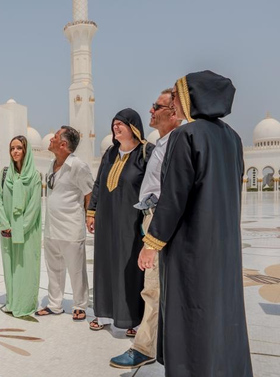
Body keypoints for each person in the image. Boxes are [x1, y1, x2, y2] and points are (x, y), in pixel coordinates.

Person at [139, 71, 253, 377]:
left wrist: (152, 242)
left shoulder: (186, 135)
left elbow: (174, 197)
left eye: (177, 96)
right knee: (221, 311)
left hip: (191, 246)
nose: (173, 103)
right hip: (223, 245)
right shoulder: (232, 137)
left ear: (193, 97)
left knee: (192, 312)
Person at [110, 90, 180, 369]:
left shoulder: (177, 143)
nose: (150, 111)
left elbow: (173, 193)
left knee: (152, 287)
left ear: (174, 112)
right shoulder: (162, 143)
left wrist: (152, 239)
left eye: (157, 106)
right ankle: (157, 343)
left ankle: (145, 347)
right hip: (152, 217)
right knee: (156, 286)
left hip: (161, 219)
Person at [87, 109, 150, 335]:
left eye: (120, 123)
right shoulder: (110, 153)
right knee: (105, 264)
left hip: (131, 221)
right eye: (114, 124)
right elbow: (98, 184)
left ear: (133, 127)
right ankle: (103, 314)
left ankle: (131, 318)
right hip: (106, 219)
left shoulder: (145, 152)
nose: (116, 127)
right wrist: (91, 211)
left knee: (129, 266)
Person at [36, 126, 94, 319]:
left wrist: (90, 216)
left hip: (71, 227)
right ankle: (54, 304)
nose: (50, 140)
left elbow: (89, 193)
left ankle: (80, 305)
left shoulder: (77, 166)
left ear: (63, 144)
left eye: (54, 137)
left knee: (76, 270)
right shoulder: (52, 164)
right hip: (52, 227)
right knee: (54, 268)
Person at [0, 135, 42, 317]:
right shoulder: (5, 174)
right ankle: (12, 301)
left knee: (26, 266)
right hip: (7, 228)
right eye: (12, 148)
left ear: (26, 151)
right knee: (10, 267)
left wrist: (20, 228)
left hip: (27, 230)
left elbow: (34, 207)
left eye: (19, 148)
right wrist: (6, 224)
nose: (15, 151)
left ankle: (24, 303)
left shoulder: (34, 177)